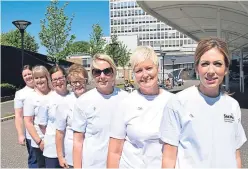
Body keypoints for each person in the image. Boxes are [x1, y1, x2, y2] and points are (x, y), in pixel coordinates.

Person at [160, 37, 247, 168]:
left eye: (217, 64)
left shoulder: (232, 106)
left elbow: (235, 154)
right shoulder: (178, 102)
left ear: (226, 68)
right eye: (205, 64)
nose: (211, 71)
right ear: (196, 68)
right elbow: (169, 157)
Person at [107, 46, 174, 168]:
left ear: (157, 69)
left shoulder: (172, 102)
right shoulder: (125, 104)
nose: (145, 74)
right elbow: (114, 151)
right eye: (139, 71)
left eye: (149, 68)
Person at [72, 54, 128, 168]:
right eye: (97, 72)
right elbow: (78, 141)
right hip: (92, 164)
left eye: (107, 71)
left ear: (114, 73)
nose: (102, 76)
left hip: (121, 164)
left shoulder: (127, 99)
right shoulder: (83, 101)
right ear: (92, 75)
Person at [55, 64, 88, 168]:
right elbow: (59, 132)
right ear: (70, 83)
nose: (78, 84)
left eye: (81, 80)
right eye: (74, 82)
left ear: (86, 81)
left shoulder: (94, 99)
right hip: (71, 156)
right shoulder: (64, 103)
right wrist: (60, 156)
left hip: (91, 156)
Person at [38, 65, 71, 168]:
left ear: (66, 78)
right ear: (51, 82)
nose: (58, 82)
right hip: (52, 149)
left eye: (60, 78)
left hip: (70, 149)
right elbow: (42, 125)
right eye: (55, 79)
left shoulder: (73, 97)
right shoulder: (46, 100)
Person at [24, 65, 53, 168]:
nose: (39, 80)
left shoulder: (54, 93)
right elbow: (28, 122)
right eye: (36, 78)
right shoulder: (30, 98)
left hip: (55, 139)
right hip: (41, 142)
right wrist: (39, 141)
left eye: (42, 77)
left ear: (47, 77)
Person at [14, 65, 37, 168]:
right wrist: (20, 134)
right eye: (25, 75)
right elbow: (18, 116)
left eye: (29, 74)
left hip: (48, 131)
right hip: (31, 134)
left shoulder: (43, 87)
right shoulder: (20, 94)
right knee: (34, 160)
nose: (28, 76)